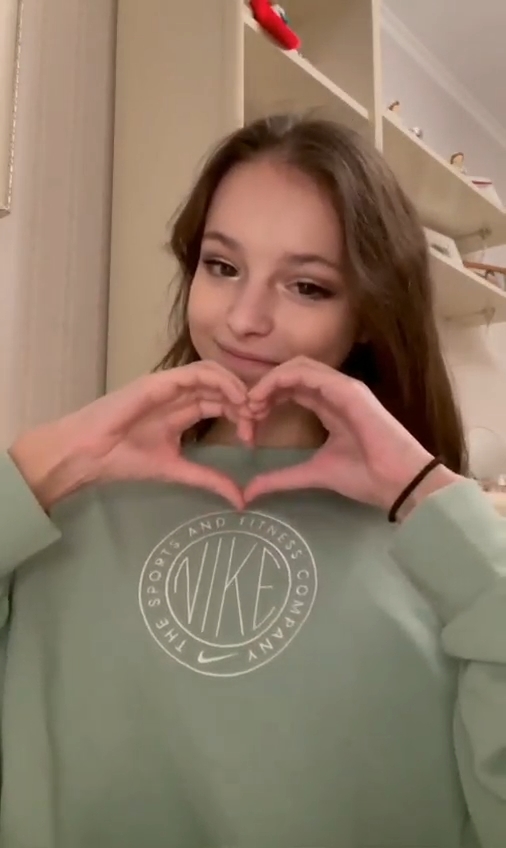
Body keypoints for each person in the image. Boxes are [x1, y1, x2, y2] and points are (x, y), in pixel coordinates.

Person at [0, 113, 504, 848]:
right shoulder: (63, 506)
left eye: (306, 286)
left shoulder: (445, 553)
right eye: (222, 266)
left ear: (370, 312)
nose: (244, 319)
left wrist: (426, 494)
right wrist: (41, 465)